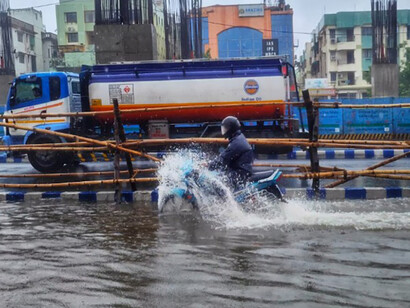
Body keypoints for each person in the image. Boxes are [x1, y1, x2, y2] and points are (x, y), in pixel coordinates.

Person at [209, 116, 254, 190]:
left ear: (231, 128)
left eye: (226, 128)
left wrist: (208, 166)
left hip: (239, 174)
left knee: (217, 182)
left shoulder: (236, 143)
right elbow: (225, 155)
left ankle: (223, 201)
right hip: (241, 171)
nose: (224, 130)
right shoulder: (238, 138)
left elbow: (223, 159)